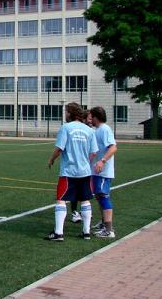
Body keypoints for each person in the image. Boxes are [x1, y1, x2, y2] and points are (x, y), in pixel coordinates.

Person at [46, 102, 98, 241]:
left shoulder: (66, 128)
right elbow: (94, 152)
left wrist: (51, 159)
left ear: (70, 113)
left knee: (61, 199)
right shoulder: (89, 130)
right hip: (85, 171)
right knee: (85, 200)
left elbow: (59, 148)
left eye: (66, 111)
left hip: (68, 171)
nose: (65, 114)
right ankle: (86, 232)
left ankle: (58, 233)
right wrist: (85, 162)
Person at [89, 106, 118, 238]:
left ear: (96, 117)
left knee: (103, 196)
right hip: (96, 172)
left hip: (103, 172)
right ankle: (103, 223)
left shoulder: (105, 129)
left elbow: (113, 148)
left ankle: (109, 230)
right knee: (99, 197)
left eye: (91, 116)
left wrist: (102, 161)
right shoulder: (98, 130)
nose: (90, 119)